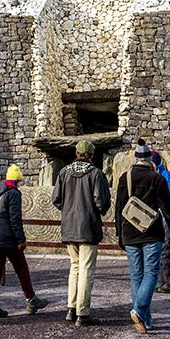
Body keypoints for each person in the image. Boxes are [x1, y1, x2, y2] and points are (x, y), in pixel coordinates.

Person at [114, 144, 170, 335]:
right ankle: (139, 310)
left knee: (136, 275)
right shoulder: (157, 179)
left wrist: (119, 234)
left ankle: (146, 319)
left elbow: (119, 209)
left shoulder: (124, 178)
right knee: (151, 272)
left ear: (135, 158)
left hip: (129, 231)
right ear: (150, 160)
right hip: (152, 232)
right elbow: (168, 211)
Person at [52, 140, 111, 327]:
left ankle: (71, 308)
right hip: (88, 227)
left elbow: (56, 199)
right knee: (86, 269)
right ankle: (83, 313)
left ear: (76, 152)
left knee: (75, 267)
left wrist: (68, 210)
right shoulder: (96, 174)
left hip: (69, 226)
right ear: (91, 155)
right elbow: (102, 202)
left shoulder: (63, 173)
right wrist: (96, 211)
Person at [0, 165, 49, 319]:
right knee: (21, 269)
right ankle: (31, 300)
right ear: (17, 180)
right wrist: (21, 239)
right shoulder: (14, 193)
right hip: (10, 240)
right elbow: (15, 219)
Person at [151, 149, 170, 294]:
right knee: (156, 248)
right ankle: (160, 281)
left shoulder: (167, 176)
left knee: (165, 248)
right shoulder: (154, 176)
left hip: (165, 214)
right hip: (155, 215)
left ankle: (169, 282)